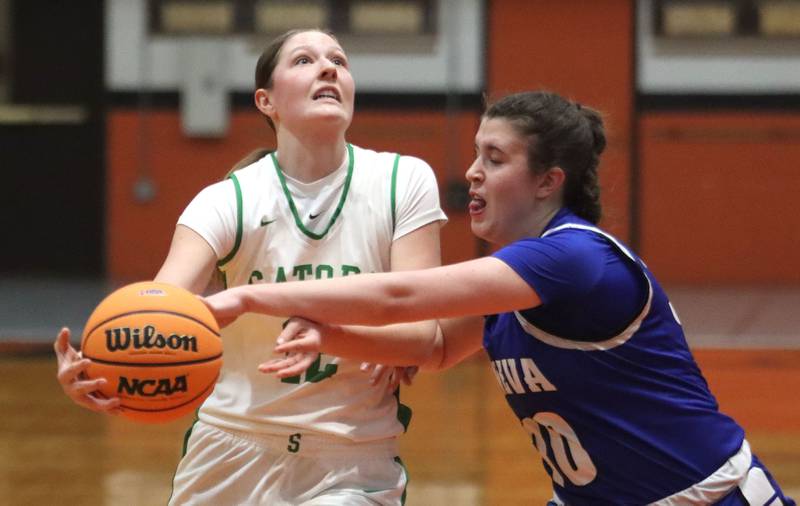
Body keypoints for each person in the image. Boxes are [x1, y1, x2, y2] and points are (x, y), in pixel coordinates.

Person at [202, 90, 796, 505]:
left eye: (495, 158)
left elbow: (403, 294)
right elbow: (435, 346)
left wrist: (255, 299)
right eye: (476, 154)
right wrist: (328, 335)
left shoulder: (572, 258)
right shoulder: (512, 280)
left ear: (547, 181)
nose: (474, 173)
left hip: (704, 495)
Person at [54, 28, 447, 505]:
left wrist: (382, 340)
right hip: (231, 448)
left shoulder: (402, 180)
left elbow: (423, 331)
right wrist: (101, 371)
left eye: (339, 61)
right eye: (304, 60)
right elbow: (158, 311)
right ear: (267, 101)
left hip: (351, 451)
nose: (329, 68)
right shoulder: (227, 200)